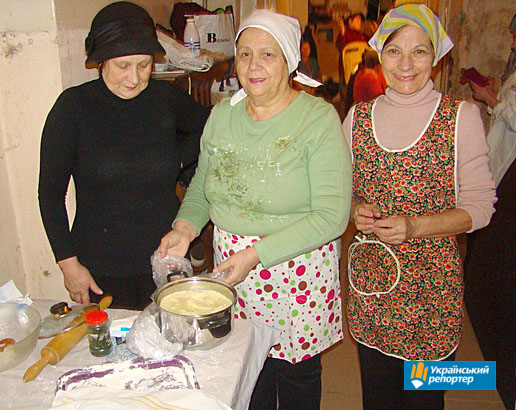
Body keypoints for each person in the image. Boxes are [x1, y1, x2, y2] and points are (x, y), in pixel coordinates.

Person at [158, 9, 352, 410]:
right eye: (244, 54)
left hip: (296, 269)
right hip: (235, 269)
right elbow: (203, 186)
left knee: (296, 377)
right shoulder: (222, 115)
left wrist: (254, 255)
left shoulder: (316, 119)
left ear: (289, 60)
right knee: (249, 371)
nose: (253, 65)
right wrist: (185, 227)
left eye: (267, 54)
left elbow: (332, 216)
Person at [342, 4, 496, 409]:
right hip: (372, 287)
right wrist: (354, 209)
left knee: (424, 399)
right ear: (380, 55)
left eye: (419, 51)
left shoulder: (460, 117)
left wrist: (415, 227)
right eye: (394, 51)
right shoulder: (357, 118)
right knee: (378, 396)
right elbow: (340, 192)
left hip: (433, 293)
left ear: (436, 56)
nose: (406, 64)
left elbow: (481, 208)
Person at [38, 2, 210, 309]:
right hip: (100, 268)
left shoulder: (165, 99)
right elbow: (50, 195)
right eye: (123, 66)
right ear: (101, 61)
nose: (134, 78)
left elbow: (208, 127)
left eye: (144, 65)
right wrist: (68, 264)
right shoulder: (73, 108)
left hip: (165, 258)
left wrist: (179, 159)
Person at [463, 12, 516, 409]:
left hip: (508, 177)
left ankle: (496, 375)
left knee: (488, 277)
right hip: (502, 172)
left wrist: (493, 101)